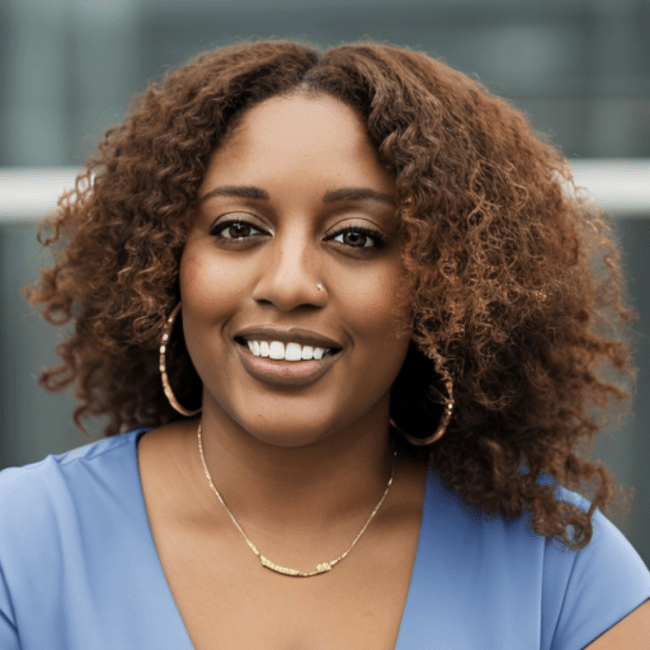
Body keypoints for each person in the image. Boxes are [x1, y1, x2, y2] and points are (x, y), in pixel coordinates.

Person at [1, 40, 648, 649]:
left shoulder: (557, 568)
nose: (288, 285)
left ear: (446, 285)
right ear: (165, 263)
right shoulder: (20, 548)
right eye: (237, 228)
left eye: (356, 237)